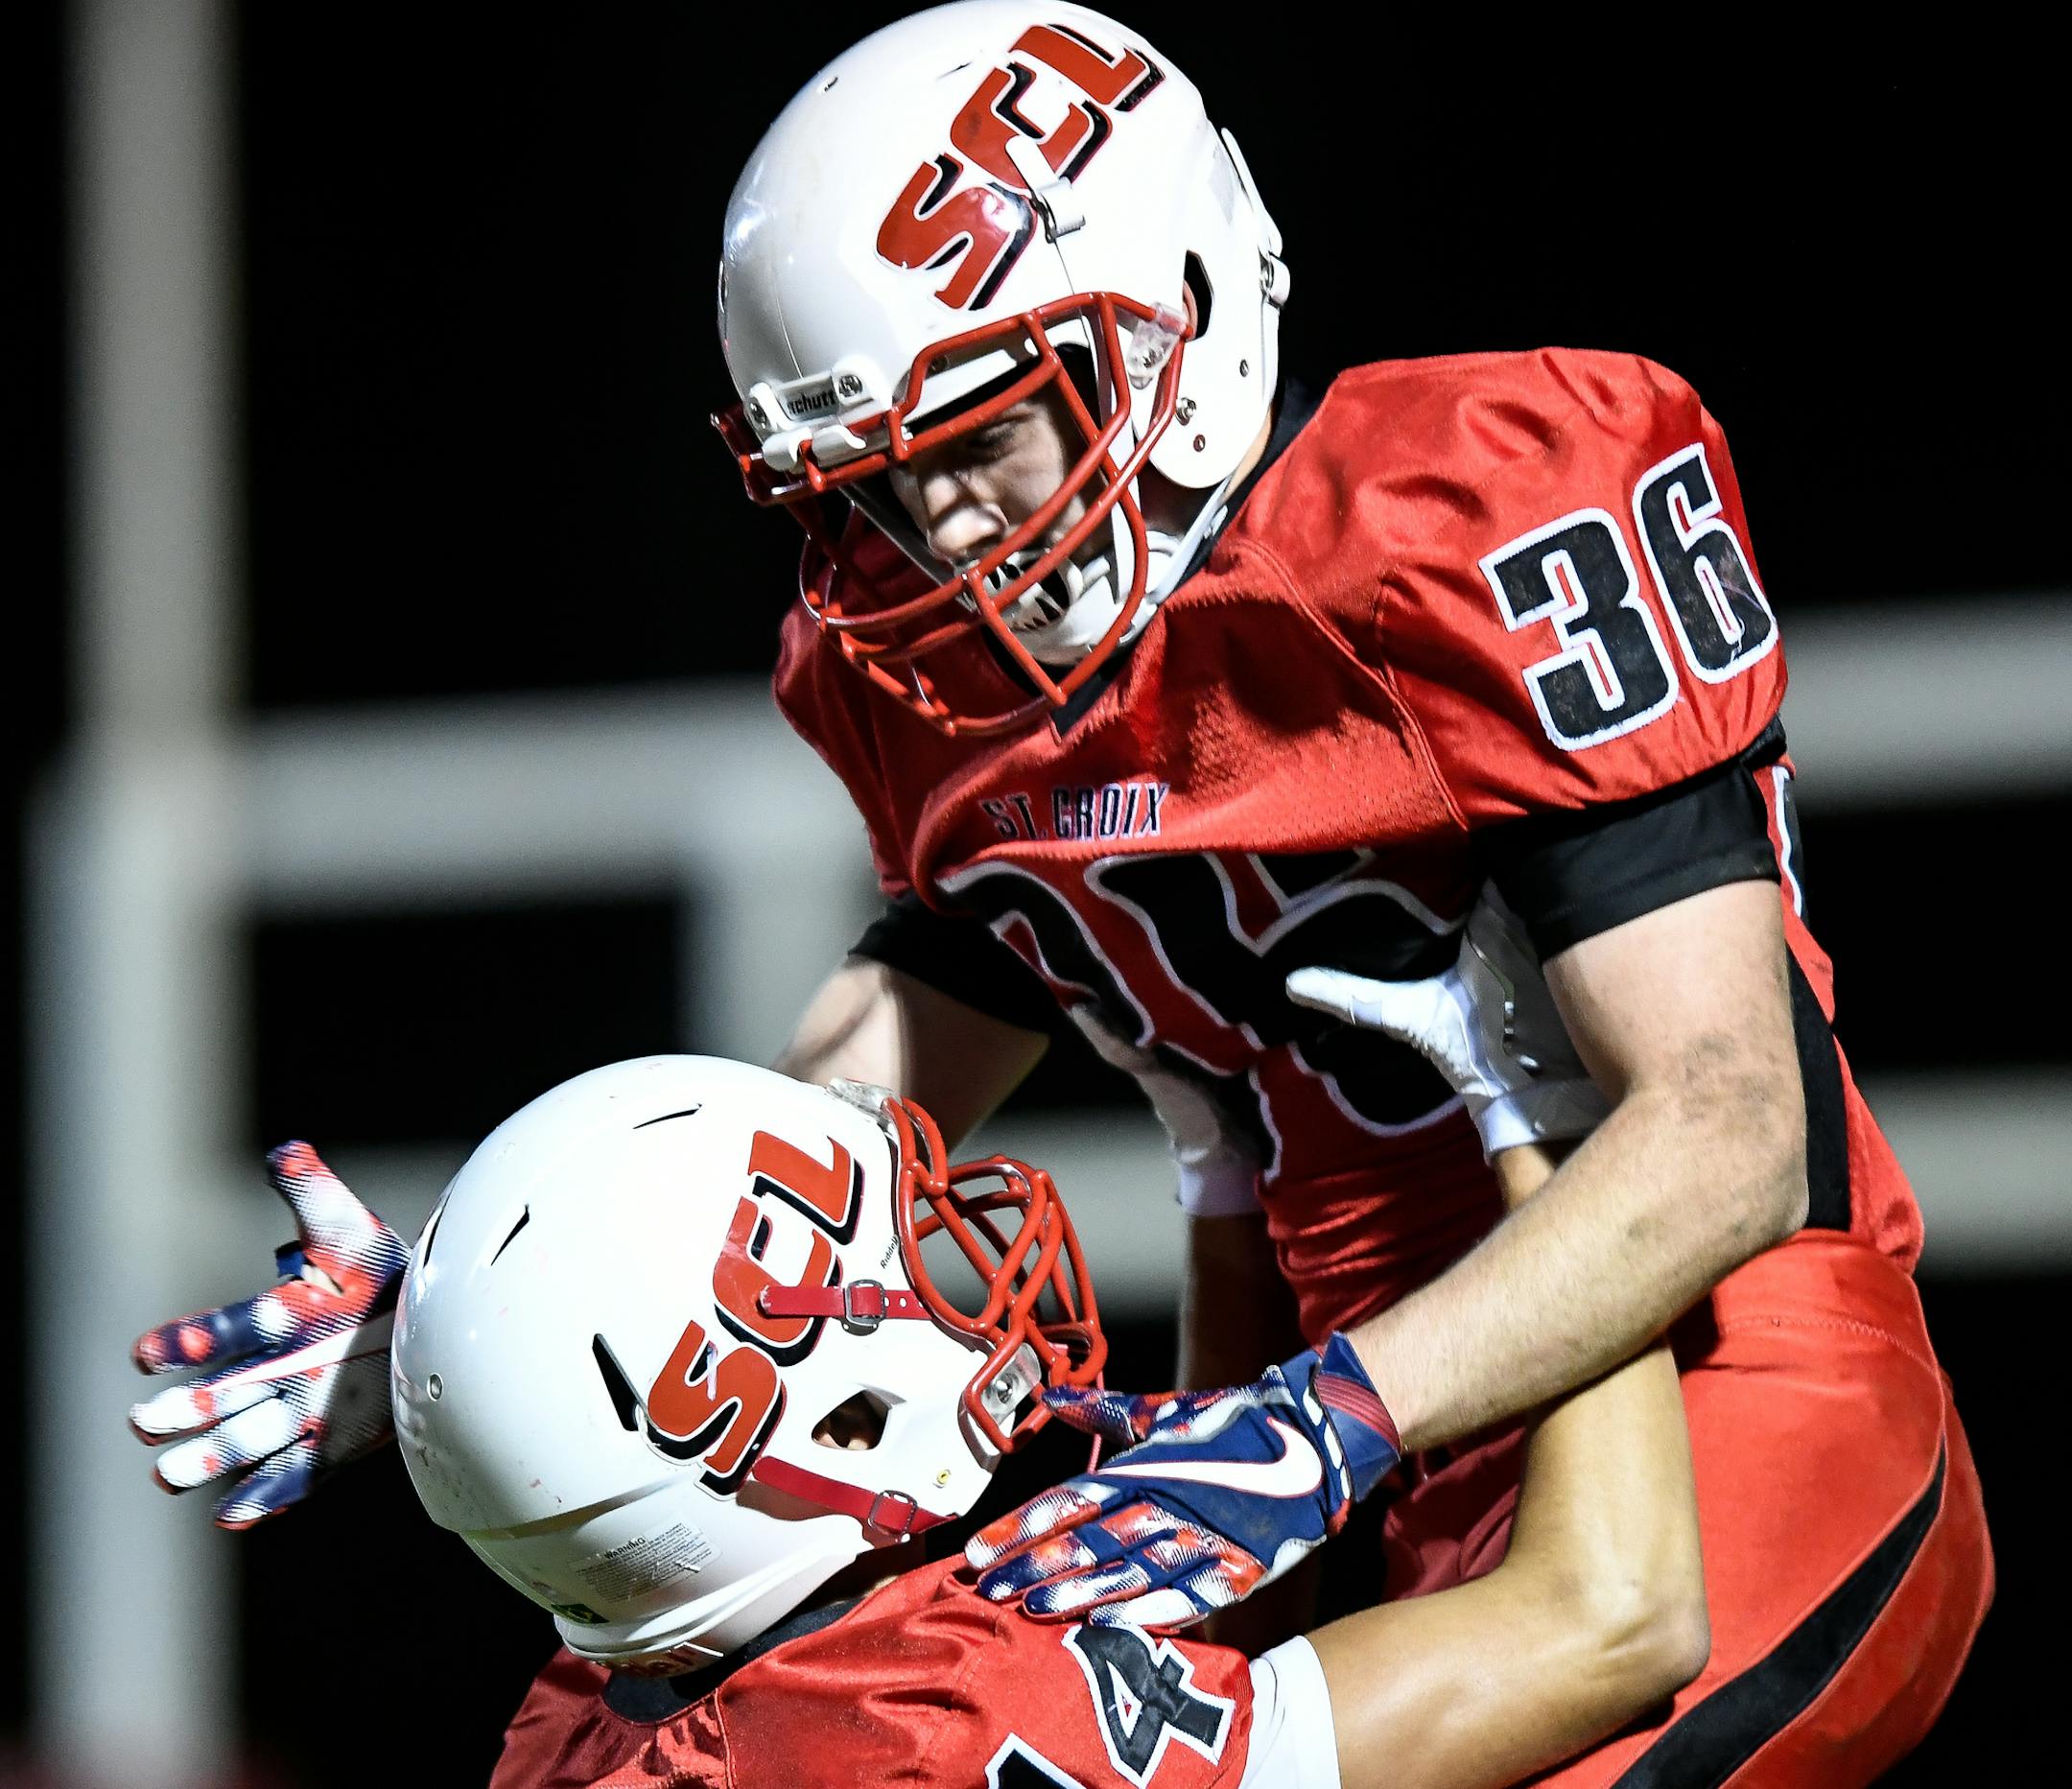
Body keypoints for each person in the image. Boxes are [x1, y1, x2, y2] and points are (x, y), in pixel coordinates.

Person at [133, 4, 1990, 1781]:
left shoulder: (1449, 518)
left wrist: (1321, 1426)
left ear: (1176, 313)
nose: (939, 526)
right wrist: (512, 1334)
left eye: (980, 434)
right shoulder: (916, 681)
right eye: (877, 472)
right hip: (1313, 1423)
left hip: (1710, 1377)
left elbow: (1728, 1130)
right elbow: (849, 1117)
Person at [414, 1000, 1706, 1786]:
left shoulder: (575, 1723)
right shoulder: (931, 1728)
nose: (936, 1261)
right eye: (876, 1264)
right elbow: (1616, 1615)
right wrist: (1536, 1094)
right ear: (805, 1424)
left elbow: (1211, 1661)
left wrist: (1223, 1159)